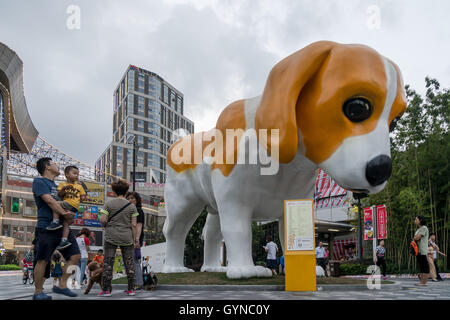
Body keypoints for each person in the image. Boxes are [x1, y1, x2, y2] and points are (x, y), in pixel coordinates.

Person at [32, 157, 80, 300]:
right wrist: (65, 213)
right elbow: (49, 201)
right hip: (47, 226)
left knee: (75, 256)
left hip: (61, 226)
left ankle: (62, 285)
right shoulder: (39, 181)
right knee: (43, 260)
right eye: (54, 164)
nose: (57, 166)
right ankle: (38, 292)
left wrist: (69, 216)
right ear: (47, 167)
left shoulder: (56, 185)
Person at [98, 179, 139, 297]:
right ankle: (131, 289)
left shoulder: (109, 203)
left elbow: (103, 220)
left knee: (108, 263)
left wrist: (106, 225)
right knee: (129, 263)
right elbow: (134, 225)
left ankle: (106, 290)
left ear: (114, 191)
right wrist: (135, 240)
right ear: (126, 191)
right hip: (127, 237)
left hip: (111, 236)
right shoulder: (132, 206)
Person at [46, 166, 87, 250]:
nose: (76, 176)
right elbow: (59, 195)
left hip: (72, 204)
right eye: (74, 173)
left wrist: (83, 197)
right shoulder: (62, 184)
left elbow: (83, 197)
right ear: (67, 174)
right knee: (66, 223)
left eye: (77, 174)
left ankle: (55, 221)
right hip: (68, 205)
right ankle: (64, 239)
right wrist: (64, 190)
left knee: (56, 204)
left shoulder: (79, 186)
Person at [126, 191, 145, 291]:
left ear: (137, 200)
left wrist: (136, 241)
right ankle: (134, 284)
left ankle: (138, 283)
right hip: (129, 239)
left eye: (132, 198)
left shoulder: (138, 210)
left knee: (135, 261)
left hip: (135, 240)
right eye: (128, 198)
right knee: (131, 262)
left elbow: (139, 225)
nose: (130, 200)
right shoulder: (130, 211)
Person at [414, 215, 429, 286]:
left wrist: (415, 237)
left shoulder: (424, 228)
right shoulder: (418, 229)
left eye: (416, 219)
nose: (415, 221)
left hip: (422, 250)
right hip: (418, 250)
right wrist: (415, 237)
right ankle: (421, 282)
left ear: (420, 220)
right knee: (421, 267)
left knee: (425, 266)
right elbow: (415, 238)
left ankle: (424, 282)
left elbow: (417, 238)